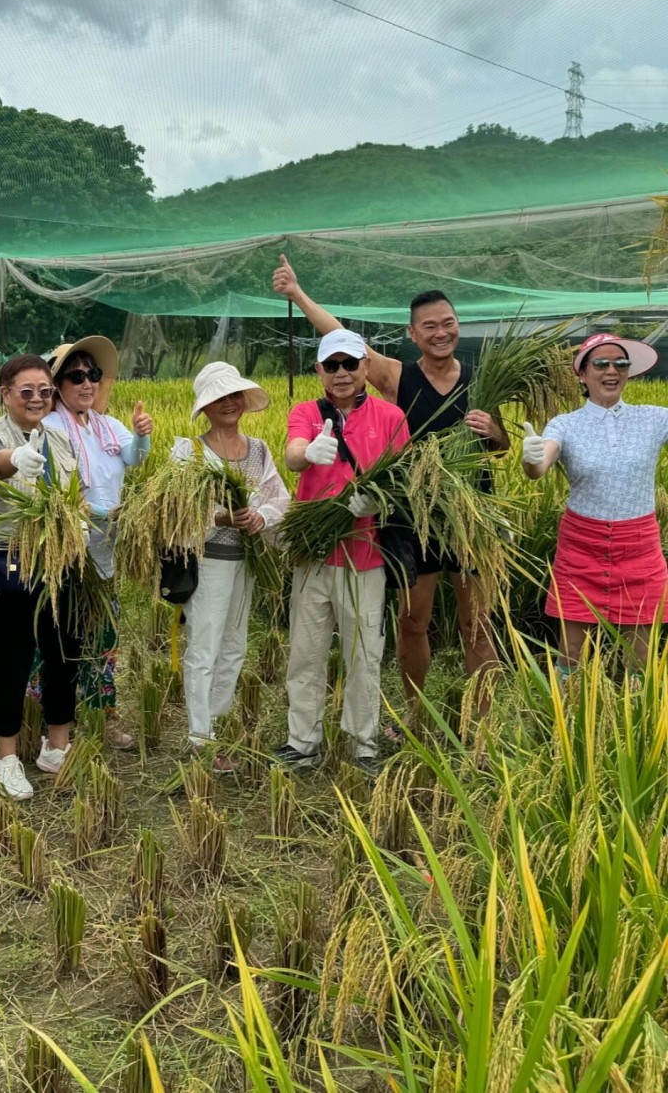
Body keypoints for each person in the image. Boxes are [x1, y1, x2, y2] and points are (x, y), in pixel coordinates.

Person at [273, 257, 508, 725]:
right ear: (413, 333)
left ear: (458, 325)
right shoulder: (401, 379)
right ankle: (418, 718)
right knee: (412, 622)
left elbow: (500, 450)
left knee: (477, 625)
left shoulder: (484, 379)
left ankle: (481, 726)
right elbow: (343, 343)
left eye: (448, 323)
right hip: (412, 519)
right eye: (429, 327)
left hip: (471, 516)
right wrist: (297, 296)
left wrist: (496, 433)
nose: (440, 332)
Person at [272, 331, 411, 776]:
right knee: (306, 654)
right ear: (319, 372)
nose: (341, 373)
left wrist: (378, 501)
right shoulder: (306, 413)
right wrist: (309, 452)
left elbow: (403, 480)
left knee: (364, 655)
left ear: (365, 368)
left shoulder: (390, 417)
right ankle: (302, 741)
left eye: (349, 363)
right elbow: (292, 454)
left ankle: (362, 743)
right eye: (331, 365)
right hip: (313, 555)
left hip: (365, 556)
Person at [522, 331, 668, 672]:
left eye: (620, 363)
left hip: (639, 547)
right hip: (581, 546)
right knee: (571, 655)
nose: (611, 370)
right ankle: (566, 721)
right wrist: (530, 458)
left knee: (641, 663)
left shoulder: (653, 418)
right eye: (600, 363)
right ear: (582, 374)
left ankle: (638, 722)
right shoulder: (566, 425)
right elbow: (539, 465)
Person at [0, 354, 82, 801]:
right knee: (10, 661)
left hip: (60, 565)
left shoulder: (58, 438)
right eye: (26, 391)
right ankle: (5, 756)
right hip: (11, 569)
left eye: (45, 391)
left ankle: (56, 746)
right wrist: (15, 458)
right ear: (6, 395)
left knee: (63, 655)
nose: (37, 399)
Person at [172, 362, 289, 771]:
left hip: (248, 563)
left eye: (234, 395)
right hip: (209, 563)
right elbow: (174, 513)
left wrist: (261, 518)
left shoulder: (258, 449)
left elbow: (280, 497)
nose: (229, 403)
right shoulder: (189, 452)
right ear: (205, 406)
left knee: (235, 646)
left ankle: (215, 724)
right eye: (219, 398)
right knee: (204, 647)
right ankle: (200, 738)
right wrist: (219, 519)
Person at [42, 336, 154, 748]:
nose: (87, 384)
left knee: (103, 636)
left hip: (105, 551)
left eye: (92, 375)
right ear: (57, 385)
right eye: (76, 377)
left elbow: (134, 457)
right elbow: (50, 486)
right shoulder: (50, 427)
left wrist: (142, 434)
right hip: (66, 552)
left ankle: (101, 715)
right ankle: (51, 719)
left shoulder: (108, 425)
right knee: (57, 637)